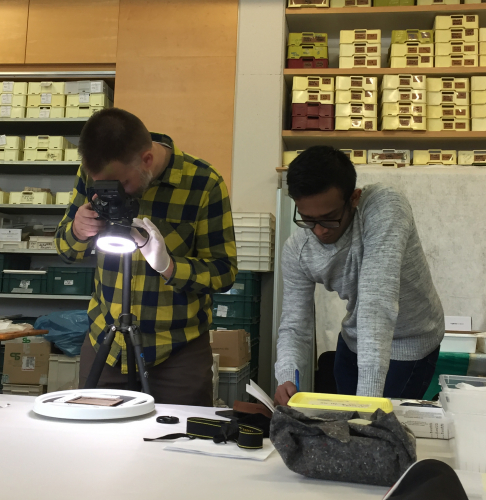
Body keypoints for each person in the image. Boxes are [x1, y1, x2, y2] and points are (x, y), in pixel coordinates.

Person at [55, 108, 237, 406]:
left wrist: (169, 266)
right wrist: (77, 230)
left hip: (177, 350)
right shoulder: (95, 173)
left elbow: (224, 272)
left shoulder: (203, 183)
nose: (118, 194)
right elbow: (65, 250)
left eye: (123, 184)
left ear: (147, 160)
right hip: (106, 342)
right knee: (96, 443)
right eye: (104, 186)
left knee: (177, 444)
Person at [274, 146, 444, 405]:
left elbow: (377, 302)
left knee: (380, 427)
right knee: (350, 425)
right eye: (308, 220)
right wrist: (287, 376)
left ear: (353, 198)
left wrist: (366, 403)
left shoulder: (383, 205)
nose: (319, 231)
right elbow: (295, 325)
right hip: (353, 341)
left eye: (329, 219)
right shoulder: (297, 251)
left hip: (410, 341)